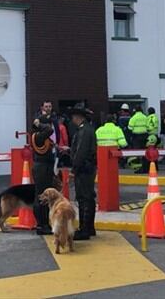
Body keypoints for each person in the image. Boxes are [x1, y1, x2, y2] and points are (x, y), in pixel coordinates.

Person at [69, 103, 97, 240]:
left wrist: (74, 169)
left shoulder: (83, 131)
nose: (72, 119)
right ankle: (89, 227)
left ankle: (84, 229)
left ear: (78, 117)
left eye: (73, 116)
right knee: (88, 197)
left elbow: (81, 152)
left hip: (84, 169)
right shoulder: (88, 129)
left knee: (84, 198)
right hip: (88, 168)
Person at [29, 119, 55, 236]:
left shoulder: (43, 138)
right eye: (46, 124)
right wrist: (39, 124)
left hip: (45, 167)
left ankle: (44, 223)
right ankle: (42, 224)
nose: (49, 126)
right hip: (41, 168)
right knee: (42, 196)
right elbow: (49, 130)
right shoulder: (38, 137)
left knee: (44, 196)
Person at [127, 106, 149, 171]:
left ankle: (139, 168)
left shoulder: (133, 118)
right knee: (145, 152)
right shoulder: (145, 117)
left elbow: (130, 128)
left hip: (136, 137)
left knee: (137, 153)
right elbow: (148, 127)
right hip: (145, 136)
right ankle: (145, 167)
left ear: (135, 111)